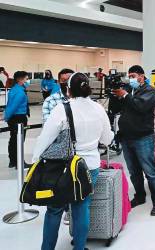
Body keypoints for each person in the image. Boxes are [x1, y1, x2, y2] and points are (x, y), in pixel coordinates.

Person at [32, 72, 114, 250]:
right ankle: (79, 247)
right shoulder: (99, 108)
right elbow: (107, 139)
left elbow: (45, 138)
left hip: (64, 167)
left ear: (68, 90)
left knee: (55, 208)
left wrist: (34, 160)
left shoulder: (62, 108)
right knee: (81, 207)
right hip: (89, 166)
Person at [113, 65, 155, 215]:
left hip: (143, 137)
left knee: (150, 171)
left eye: (134, 75)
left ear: (142, 76)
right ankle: (140, 196)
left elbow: (140, 106)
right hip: (126, 137)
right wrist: (116, 96)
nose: (132, 78)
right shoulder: (129, 90)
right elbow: (116, 109)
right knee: (134, 171)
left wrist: (125, 95)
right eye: (129, 76)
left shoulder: (150, 91)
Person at [3, 71, 31, 169]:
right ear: (20, 79)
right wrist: (6, 116)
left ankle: (13, 161)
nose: (27, 81)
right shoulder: (19, 91)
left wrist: (7, 117)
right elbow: (13, 106)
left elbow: (9, 105)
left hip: (14, 118)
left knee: (13, 140)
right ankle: (19, 163)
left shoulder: (15, 89)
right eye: (26, 79)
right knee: (19, 140)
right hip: (19, 118)